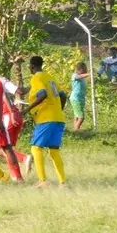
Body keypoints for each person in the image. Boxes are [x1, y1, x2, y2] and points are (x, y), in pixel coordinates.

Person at [18, 56, 68, 188]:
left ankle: (43, 181)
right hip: (58, 118)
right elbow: (63, 95)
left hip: (46, 118)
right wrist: (59, 109)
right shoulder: (49, 77)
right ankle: (63, 182)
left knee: (36, 148)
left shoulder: (36, 77)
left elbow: (43, 94)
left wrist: (26, 109)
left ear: (32, 66)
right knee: (54, 150)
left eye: (29, 66)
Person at [70, 62, 89, 131]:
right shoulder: (75, 75)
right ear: (80, 69)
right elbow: (78, 77)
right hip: (76, 98)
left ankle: (75, 128)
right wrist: (88, 74)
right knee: (81, 117)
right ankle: (76, 130)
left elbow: (83, 76)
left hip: (80, 98)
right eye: (84, 70)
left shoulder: (82, 76)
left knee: (77, 116)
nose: (85, 72)